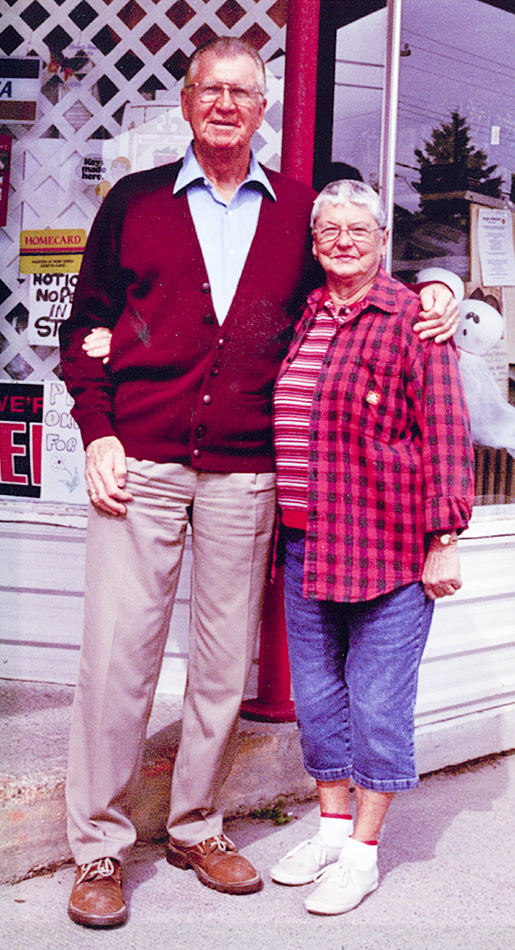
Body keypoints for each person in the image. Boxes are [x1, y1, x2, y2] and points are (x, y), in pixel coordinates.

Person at [59, 36, 458, 928]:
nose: (227, 104)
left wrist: (435, 282)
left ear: (264, 105)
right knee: (118, 661)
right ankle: (98, 848)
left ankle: (197, 825)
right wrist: (97, 432)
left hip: (247, 476)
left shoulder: (297, 214)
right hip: (145, 463)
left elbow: (368, 262)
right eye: (212, 89)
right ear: (187, 99)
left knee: (218, 668)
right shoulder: (133, 202)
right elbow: (83, 329)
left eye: (245, 90)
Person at [269, 179, 475, 916]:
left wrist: (444, 537)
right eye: (330, 230)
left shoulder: (413, 319)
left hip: (387, 548)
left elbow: (447, 434)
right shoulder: (306, 313)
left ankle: (361, 853)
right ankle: (329, 829)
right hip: (304, 544)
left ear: (382, 240)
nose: (344, 241)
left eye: (360, 229)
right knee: (319, 700)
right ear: (315, 240)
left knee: (378, 706)